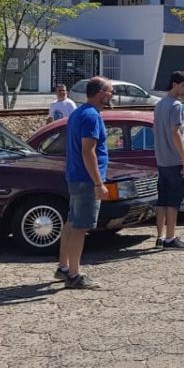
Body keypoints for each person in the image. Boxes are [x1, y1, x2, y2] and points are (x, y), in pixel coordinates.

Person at [56, 77, 114, 289]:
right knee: (81, 227)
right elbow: (88, 150)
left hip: (75, 176)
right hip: (86, 179)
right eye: (111, 92)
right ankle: (74, 274)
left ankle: (63, 267)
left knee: (72, 222)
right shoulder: (91, 116)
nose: (112, 96)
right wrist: (99, 183)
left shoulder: (79, 112)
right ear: (101, 94)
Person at [153, 72, 184, 250]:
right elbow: (175, 132)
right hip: (175, 160)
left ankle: (160, 236)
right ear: (174, 84)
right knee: (173, 201)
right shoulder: (176, 105)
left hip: (162, 159)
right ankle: (170, 238)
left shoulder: (159, 104)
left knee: (162, 199)